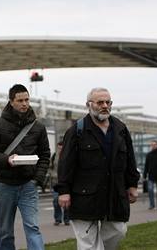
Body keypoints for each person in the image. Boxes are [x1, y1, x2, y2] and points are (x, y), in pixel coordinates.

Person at [55, 87, 140, 250]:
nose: (105, 106)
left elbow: (130, 159)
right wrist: (64, 191)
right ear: (89, 104)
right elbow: (65, 163)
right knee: (88, 243)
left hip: (114, 194)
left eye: (108, 102)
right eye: (100, 102)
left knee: (118, 230)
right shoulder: (77, 131)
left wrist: (132, 184)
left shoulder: (120, 129)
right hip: (84, 196)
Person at [0, 84, 50, 250]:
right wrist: (6, 160)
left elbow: (45, 155)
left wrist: (37, 179)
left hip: (28, 184)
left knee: (33, 227)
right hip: (5, 184)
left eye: (27, 100)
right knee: (6, 230)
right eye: (20, 100)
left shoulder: (38, 127)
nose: (24, 103)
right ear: (11, 102)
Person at [49, 141, 69, 226]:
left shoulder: (68, 155)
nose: (60, 150)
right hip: (55, 182)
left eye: (62, 148)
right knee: (55, 201)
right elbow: (50, 166)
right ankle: (58, 219)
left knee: (66, 202)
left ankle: (67, 219)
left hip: (65, 182)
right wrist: (51, 174)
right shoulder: (54, 156)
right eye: (59, 148)